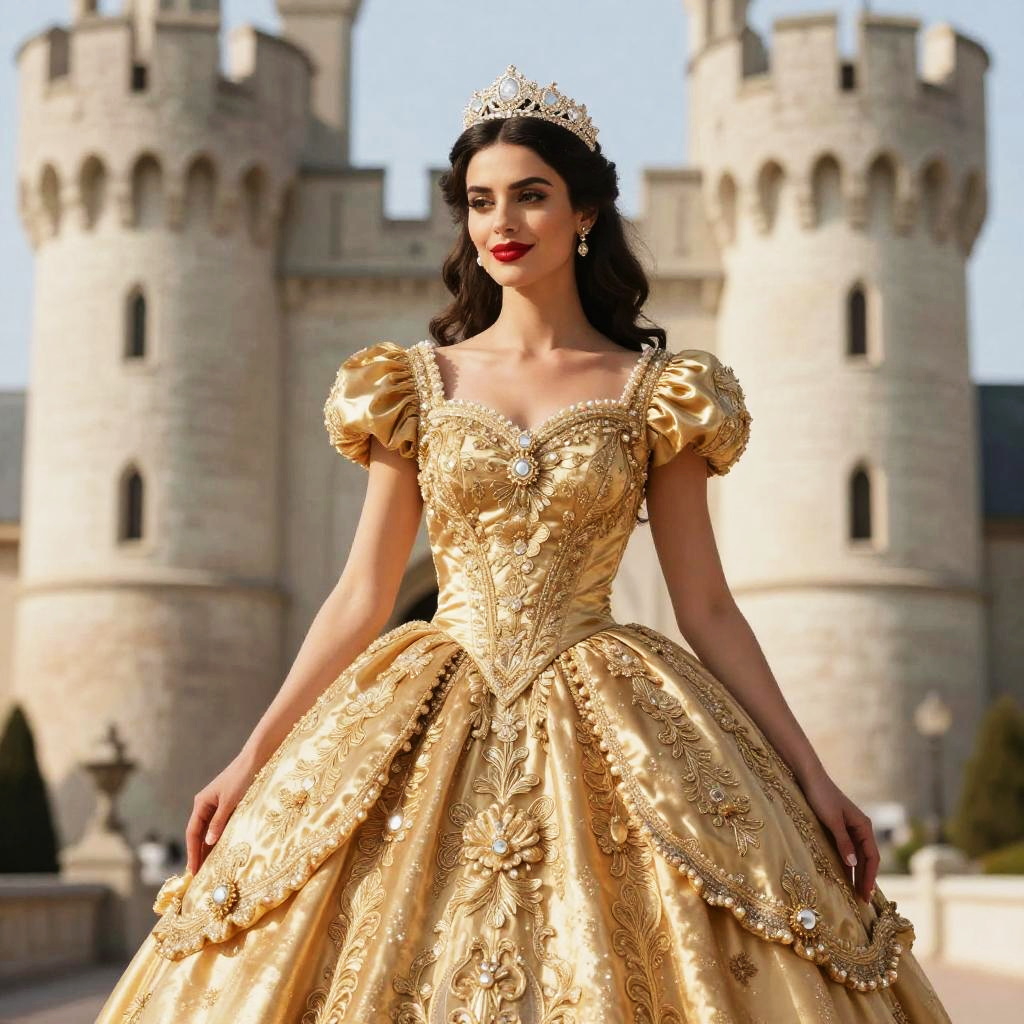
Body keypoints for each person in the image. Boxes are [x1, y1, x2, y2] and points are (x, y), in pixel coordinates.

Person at [95, 64, 953, 1023]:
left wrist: (811, 772)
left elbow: (706, 604)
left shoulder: (657, 391)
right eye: (480, 201)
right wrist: (251, 756)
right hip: (431, 697)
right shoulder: (409, 384)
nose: (502, 221)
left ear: (583, 211)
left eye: (531, 196)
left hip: (610, 703)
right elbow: (361, 594)